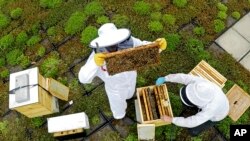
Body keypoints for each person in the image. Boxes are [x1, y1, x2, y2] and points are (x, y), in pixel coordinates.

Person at [78, 23, 167, 119]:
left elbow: (143, 48)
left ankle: (128, 97)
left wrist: (157, 46)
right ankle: (120, 116)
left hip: (131, 79)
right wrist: (94, 64)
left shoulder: (129, 42)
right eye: (109, 44)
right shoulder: (96, 57)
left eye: (114, 41)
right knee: (118, 109)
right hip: (115, 90)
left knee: (130, 94)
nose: (113, 46)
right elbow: (83, 78)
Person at [155, 73, 229, 136]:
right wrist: (166, 78)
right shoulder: (201, 85)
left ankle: (196, 131)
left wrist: (172, 119)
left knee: (193, 131)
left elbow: (193, 122)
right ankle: (193, 110)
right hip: (219, 99)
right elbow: (184, 77)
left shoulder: (211, 109)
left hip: (218, 115)